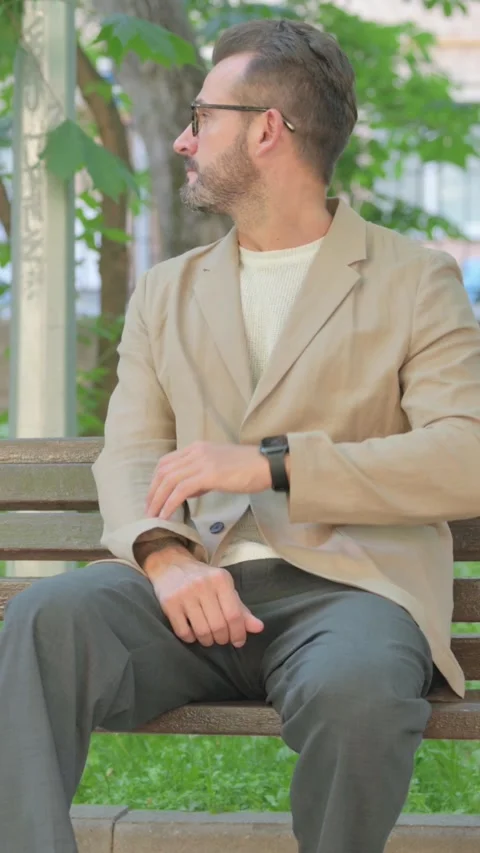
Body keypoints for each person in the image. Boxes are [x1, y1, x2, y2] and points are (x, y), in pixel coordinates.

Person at [1, 18, 480, 853]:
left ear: (267, 129)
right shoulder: (165, 290)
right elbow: (131, 452)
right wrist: (163, 551)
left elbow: (464, 453)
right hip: (191, 587)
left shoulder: (417, 279)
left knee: (359, 691)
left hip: (353, 593)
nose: (184, 139)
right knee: (44, 620)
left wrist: (273, 466)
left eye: (202, 117)